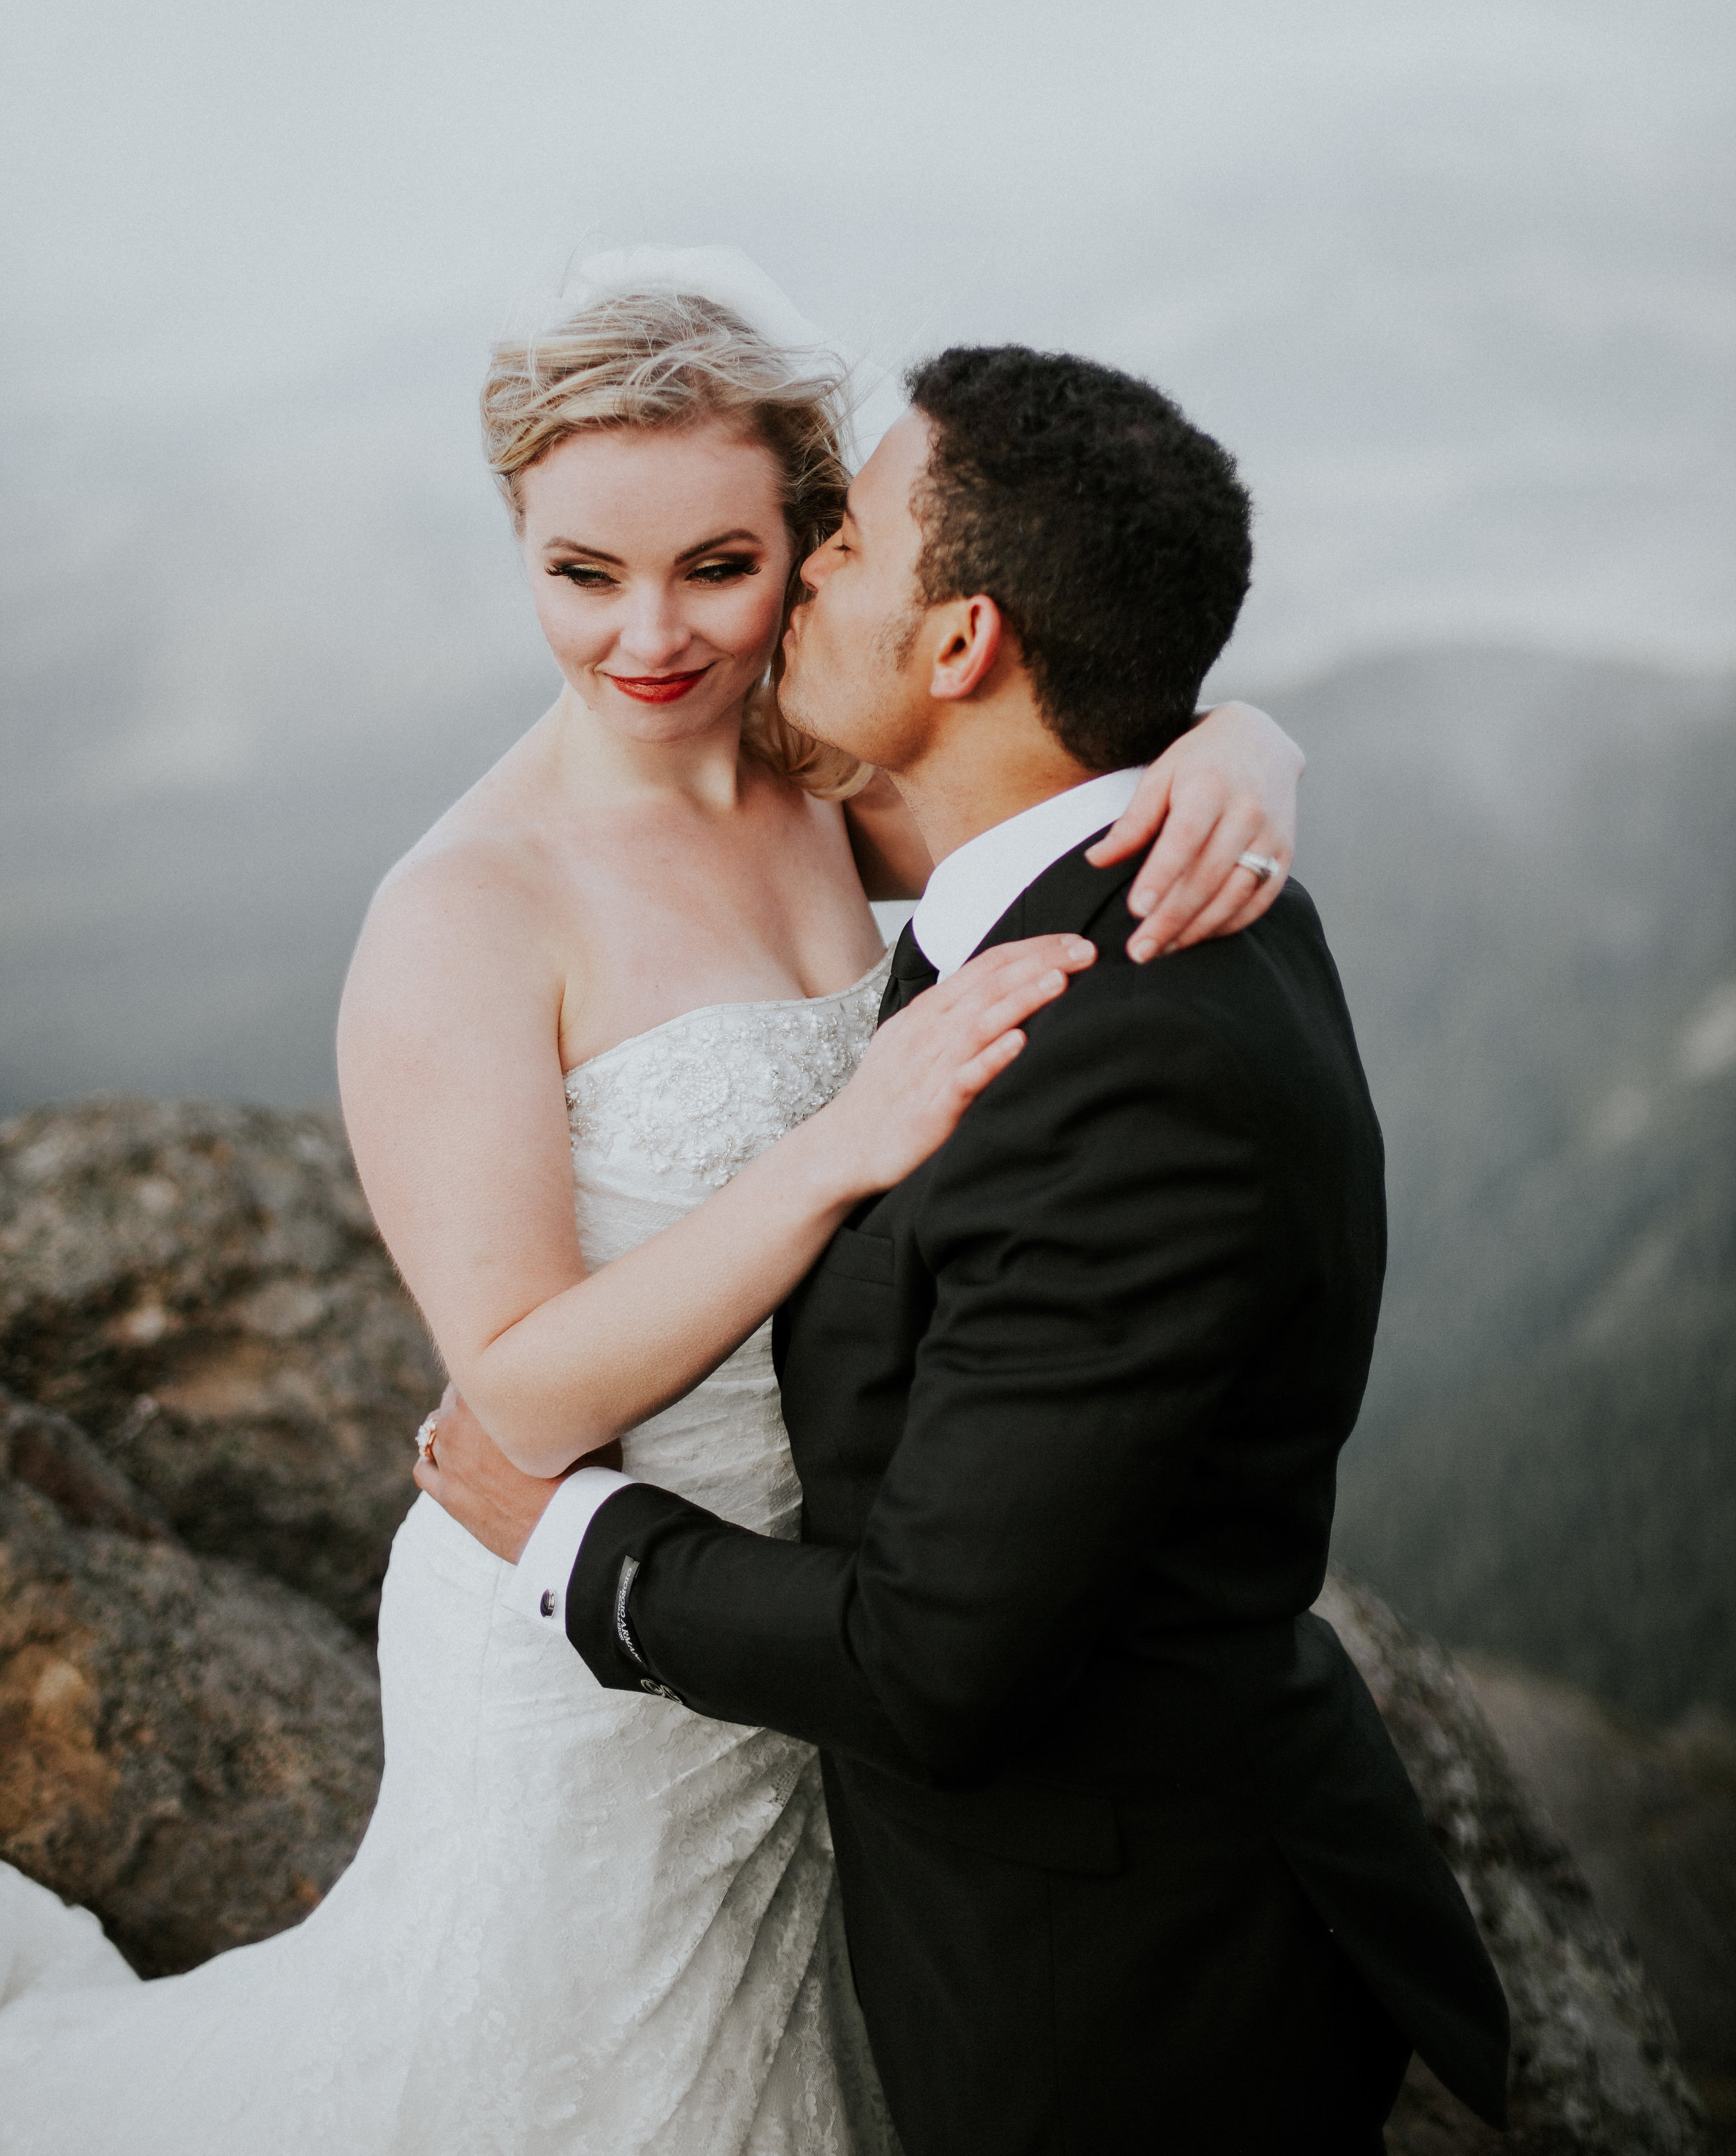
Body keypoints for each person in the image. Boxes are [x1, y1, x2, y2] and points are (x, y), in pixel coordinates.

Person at [0, 261, 1303, 2154]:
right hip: (582, 1649)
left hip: (815, 1628)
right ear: (517, 543)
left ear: (811, 540)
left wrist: (1244, 743)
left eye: (716, 565)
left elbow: (1035, 758)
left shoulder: (816, 786)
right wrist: (842, 1144)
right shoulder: (466, 912)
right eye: (580, 574)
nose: (647, 636)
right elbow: (511, 1404)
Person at [422, 339, 1513, 2155]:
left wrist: (567, 1540)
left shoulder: (1132, 1066)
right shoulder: (1111, 858)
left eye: (840, 535)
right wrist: (1236, 731)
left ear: (960, 647)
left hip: (1118, 1990)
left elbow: (936, 1661)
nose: (798, 564)